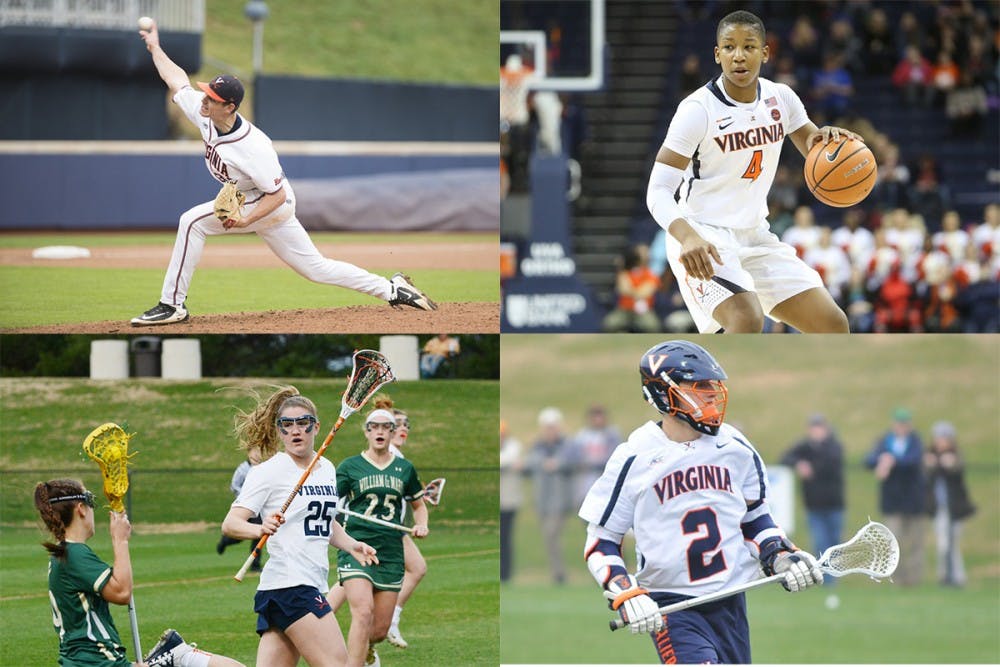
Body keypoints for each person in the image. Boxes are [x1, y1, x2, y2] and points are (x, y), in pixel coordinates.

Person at [130, 19, 436, 326]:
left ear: (231, 107)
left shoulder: (254, 147)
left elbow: (277, 195)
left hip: (270, 203)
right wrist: (156, 47)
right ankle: (393, 289)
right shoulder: (205, 113)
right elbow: (177, 80)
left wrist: (247, 220)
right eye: (207, 94)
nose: (205, 100)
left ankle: (172, 305)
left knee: (192, 221)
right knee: (317, 269)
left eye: (213, 98)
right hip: (252, 198)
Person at [579, 341, 823, 663]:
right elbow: (601, 541)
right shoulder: (635, 457)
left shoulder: (734, 447)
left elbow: (754, 519)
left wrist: (778, 554)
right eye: (699, 387)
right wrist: (625, 591)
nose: (711, 394)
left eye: (713, 385)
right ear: (664, 394)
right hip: (671, 606)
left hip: (730, 603)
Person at [645, 10, 852, 333]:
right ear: (717, 54)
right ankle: (698, 383)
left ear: (765, 52)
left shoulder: (781, 98)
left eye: (749, 47)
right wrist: (687, 238)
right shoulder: (697, 110)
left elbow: (812, 144)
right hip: (704, 237)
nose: (738, 56)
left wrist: (831, 145)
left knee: (832, 324)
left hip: (755, 234)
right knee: (746, 318)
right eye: (729, 47)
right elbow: (657, 191)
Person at [220, 386, 379, 667]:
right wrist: (260, 529)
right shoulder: (268, 471)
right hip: (291, 586)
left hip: (299, 586)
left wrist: (352, 544)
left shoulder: (327, 468)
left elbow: (324, 523)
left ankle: (183, 656)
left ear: (316, 427)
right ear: (279, 431)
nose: (296, 431)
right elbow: (231, 524)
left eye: (303, 423)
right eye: (287, 425)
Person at [34, 479, 245, 667]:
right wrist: (120, 540)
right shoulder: (75, 554)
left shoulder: (66, 553)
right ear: (80, 508)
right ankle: (172, 656)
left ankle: (171, 656)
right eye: (91, 501)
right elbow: (122, 592)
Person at [333, 408, 429, 667]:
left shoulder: (404, 468)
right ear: (366, 431)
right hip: (357, 547)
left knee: (378, 631)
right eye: (373, 427)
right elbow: (328, 502)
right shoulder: (349, 467)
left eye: (385, 427)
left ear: (392, 432)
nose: (379, 431)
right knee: (362, 612)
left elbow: (419, 506)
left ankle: (367, 651)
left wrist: (421, 525)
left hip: (391, 552)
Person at [780, 414, 845, 609]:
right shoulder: (805, 447)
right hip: (814, 505)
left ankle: (834, 579)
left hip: (834, 504)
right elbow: (785, 457)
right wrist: (798, 464)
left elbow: (829, 465)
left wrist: (810, 465)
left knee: (834, 543)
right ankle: (826, 581)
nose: (816, 431)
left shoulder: (834, 446)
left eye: (819, 427)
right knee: (820, 542)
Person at [864, 408, 926, 587]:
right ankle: (897, 581)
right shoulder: (885, 442)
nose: (901, 427)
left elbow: (913, 461)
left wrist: (892, 461)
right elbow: (868, 461)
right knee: (894, 543)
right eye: (898, 424)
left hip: (914, 502)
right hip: (892, 502)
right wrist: (881, 460)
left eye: (904, 424)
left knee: (915, 543)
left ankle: (913, 580)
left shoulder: (915, 442)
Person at [526, 407, 578, 585]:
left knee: (551, 533)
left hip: (561, 500)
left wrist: (557, 464)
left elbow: (573, 462)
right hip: (542, 500)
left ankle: (559, 573)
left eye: (552, 427)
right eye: (547, 427)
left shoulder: (567, 445)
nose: (550, 431)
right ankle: (557, 572)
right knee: (549, 537)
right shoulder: (538, 446)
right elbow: (530, 463)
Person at [923, 421, 976, 587]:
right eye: (938, 438)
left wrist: (950, 464)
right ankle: (945, 575)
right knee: (943, 543)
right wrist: (929, 464)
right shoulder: (929, 457)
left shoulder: (955, 456)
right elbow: (926, 476)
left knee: (952, 543)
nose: (941, 442)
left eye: (944, 438)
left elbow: (957, 471)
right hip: (939, 509)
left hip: (954, 509)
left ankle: (956, 577)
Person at [216, 446, 263, 572]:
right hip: (246, 508)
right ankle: (225, 541)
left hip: (259, 509)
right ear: (249, 453)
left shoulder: (263, 468)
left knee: (259, 535)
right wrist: (246, 497)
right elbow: (234, 486)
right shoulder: (243, 469)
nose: (258, 454)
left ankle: (255, 564)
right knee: (241, 536)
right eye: (255, 451)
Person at [569, 405, 622, 506]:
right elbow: (575, 457)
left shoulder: (612, 435)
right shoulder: (582, 435)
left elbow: (615, 456)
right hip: (586, 482)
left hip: (606, 481)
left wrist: (596, 464)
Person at [499, 419, 523, 583]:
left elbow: (506, 459)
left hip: (509, 501)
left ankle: (506, 574)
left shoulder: (513, 446)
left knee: (506, 539)